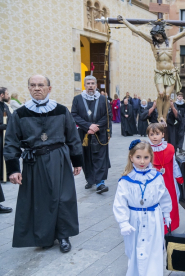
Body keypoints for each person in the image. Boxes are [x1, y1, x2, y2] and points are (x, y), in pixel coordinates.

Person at [4, 75, 83, 252]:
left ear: (49, 88)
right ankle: (44, 236)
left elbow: (72, 136)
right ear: (29, 88)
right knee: (39, 200)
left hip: (59, 159)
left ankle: (63, 235)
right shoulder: (20, 113)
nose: (37, 88)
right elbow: (11, 142)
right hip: (34, 161)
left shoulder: (62, 111)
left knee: (63, 197)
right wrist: (13, 169)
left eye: (41, 85)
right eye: (33, 85)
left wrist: (77, 160)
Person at [113, 140, 172, 276]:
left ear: (151, 157)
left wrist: (166, 214)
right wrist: (123, 222)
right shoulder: (125, 180)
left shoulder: (157, 177)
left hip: (153, 218)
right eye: (138, 157)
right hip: (134, 219)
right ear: (131, 157)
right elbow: (119, 203)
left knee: (154, 248)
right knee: (134, 248)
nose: (142, 161)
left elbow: (164, 196)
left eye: (146, 157)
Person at [72, 75, 112, 193]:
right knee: (86, 157)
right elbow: (74, 115)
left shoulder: (103, 99)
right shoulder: (77, 99)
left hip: (100, 134)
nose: (90, 86)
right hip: (84, 134)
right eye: (88, 83)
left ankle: (100, 183)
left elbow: (108, 115)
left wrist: (96, 127)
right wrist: (88, 126)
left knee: (100, 158)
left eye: (92, 83)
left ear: (96, 85)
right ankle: (90, 179)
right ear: (85, 85)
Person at [147, 123, 183, 233]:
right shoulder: (146, 150)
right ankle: (157, 227)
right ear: (148, 136)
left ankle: (170, 226)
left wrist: (179, 177)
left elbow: (174, 165)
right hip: (152, 184)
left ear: (163, 134)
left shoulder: (170, 148)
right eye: (151, 134)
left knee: (171, 202)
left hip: (169, 181)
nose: (154, 137)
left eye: (157, 134)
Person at [0, 88, 12, 213]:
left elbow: (11, 118)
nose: (8, 96)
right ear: (2, 95)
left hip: (5, 140)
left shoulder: (4, 106)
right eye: (7, 94)